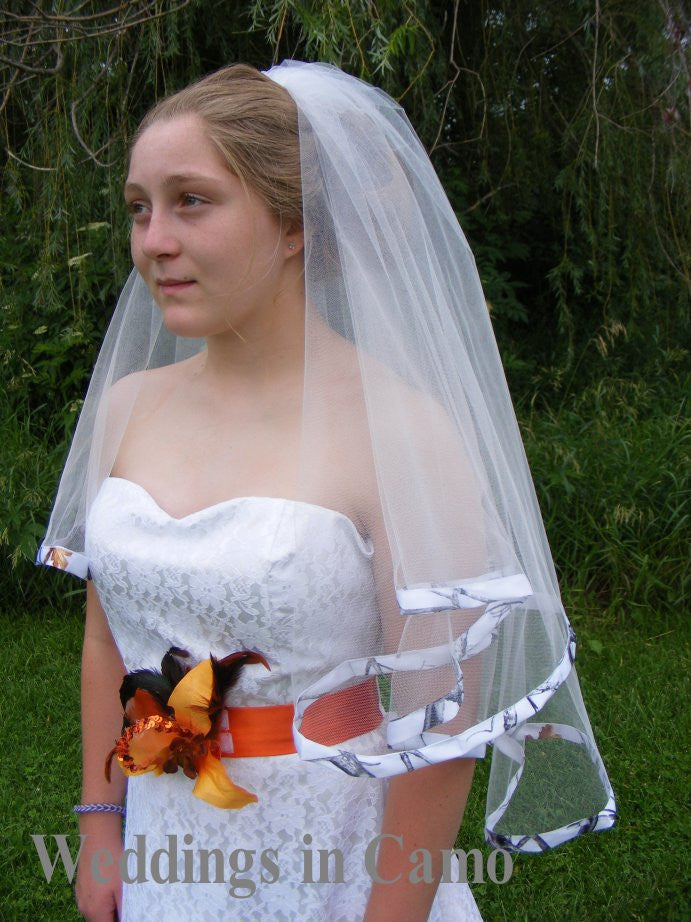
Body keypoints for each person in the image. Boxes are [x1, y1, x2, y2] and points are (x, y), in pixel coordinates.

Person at [38, 61, 615, 922]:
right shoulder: (126, 408)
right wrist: (99, 827)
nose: (153, 238)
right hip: (165, 845)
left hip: (334, 861)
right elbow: (103, 642)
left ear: (295, 223)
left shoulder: (403, 434)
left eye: (191, 201)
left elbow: (440, 728)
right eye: (138, 206)